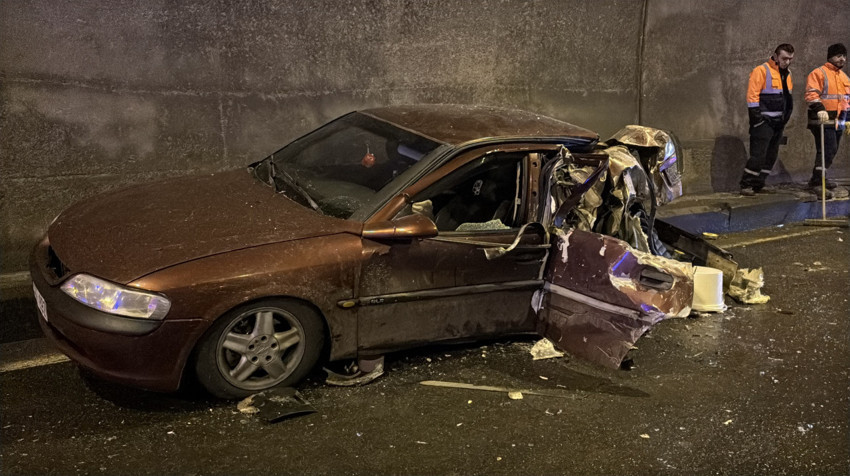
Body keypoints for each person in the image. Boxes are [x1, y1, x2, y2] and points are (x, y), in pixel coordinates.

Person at [740, 44, 795, 196]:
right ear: (776, 56)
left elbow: (787, 98)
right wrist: (758, 119)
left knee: (771, 156)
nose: (787, 62)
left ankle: (759, 184)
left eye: (790, 59)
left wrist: (785, 119)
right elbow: (752, 96)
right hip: (764, 122)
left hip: (778, 123)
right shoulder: (761, 71)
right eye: (784, 58)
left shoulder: (787, 74)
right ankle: (746, 184)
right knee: (758, 156)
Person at [805, 43, 850, 196]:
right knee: (827, 150)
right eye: (839, 56)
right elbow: (811, 94)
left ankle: (819, 178)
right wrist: (820, 109)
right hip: (821, 121)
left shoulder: (844, 77)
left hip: (837, 121)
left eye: (844, 56)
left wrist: (847, 119)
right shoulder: (819, 73)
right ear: (830, 57)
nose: (842, 59)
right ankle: (817, 182)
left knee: (831, 150)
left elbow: (846, 101)